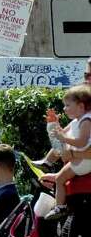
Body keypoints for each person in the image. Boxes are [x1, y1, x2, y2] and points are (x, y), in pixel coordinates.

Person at [47, 84, 91, 216]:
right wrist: (54, 123)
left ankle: (59, 207)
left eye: (68, 105)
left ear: (81, 106)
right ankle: (59, 206)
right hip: (80, 159)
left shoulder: (86, 121)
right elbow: (60, 134)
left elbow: (81, 142)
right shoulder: (77, 121)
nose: (64, 109)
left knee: (60, 179)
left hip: (84, 161)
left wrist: (64, 139)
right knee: (59, 178)